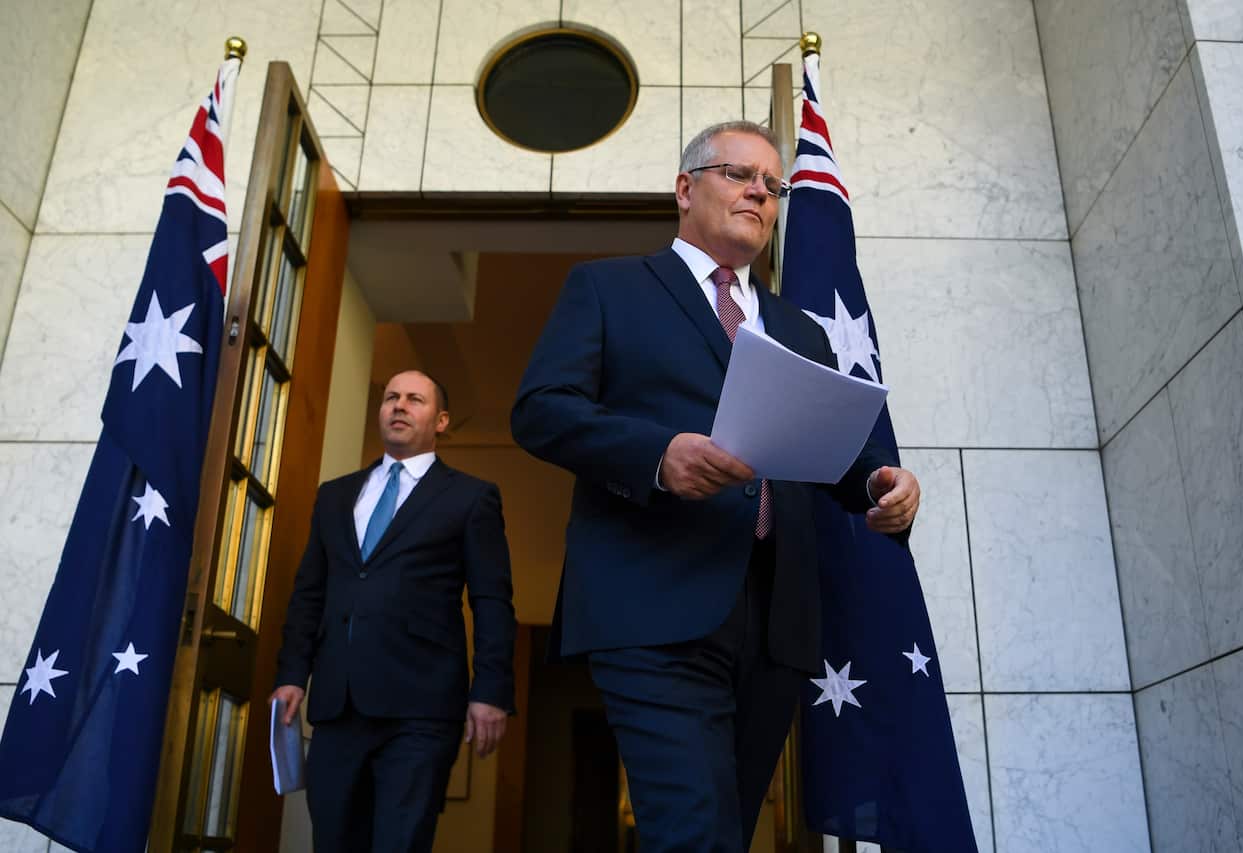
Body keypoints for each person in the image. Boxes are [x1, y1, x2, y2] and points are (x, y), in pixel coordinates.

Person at [510, 121, 921, 852]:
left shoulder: (801, 330)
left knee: (725, 831)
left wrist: (879, 483)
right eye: (739, 174)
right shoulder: (608, 288)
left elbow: (834, 454)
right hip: (652, 609)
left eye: (772, 185)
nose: (759, 193)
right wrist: (658, 454)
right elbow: (540, 412)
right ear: (684, 188)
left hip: (774, 622)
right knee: (693, 834)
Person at [272, 369, 515, 853]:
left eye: (414, 399)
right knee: (334, 841)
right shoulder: (335, 496)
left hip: (420, 711)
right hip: (338, 706)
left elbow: (491, 601)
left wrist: (490, 690)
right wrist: (293, 672)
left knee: (400, 844)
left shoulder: (471, 498)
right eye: (391, 398)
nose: (399, 406)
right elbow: (309, 592)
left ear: (441, 420)